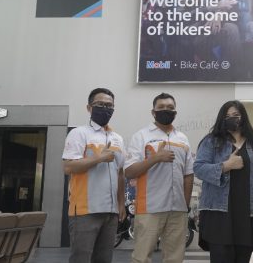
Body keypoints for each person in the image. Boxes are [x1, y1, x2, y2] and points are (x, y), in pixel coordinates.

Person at [193, 100, 253, 263]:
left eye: (236, 115)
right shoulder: (211, 141)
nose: (232, 118)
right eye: (227, 116)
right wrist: (225, 166)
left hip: (248, 214)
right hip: (219, 214)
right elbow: (198, 168)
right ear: (221, 119)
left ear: (243, 117)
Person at [124, 92, 194, 263]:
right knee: (142, 258)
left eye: (170, 107)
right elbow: (129, 172)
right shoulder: (141, 136)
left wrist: (185, 205)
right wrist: (155, 158)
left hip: (178, 210)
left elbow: (188, 174)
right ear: (153, 112)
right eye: (161, 107)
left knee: (175, 258)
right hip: (150, 208)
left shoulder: (182, 139)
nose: (166, 110)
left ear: (175, 112)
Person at [62, 88, 126, 263]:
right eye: (100, 104)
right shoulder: (79, 133)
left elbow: (120, 173)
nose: (105, 108)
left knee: (104, 259)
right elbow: (68, 166)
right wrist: (99, 158)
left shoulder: (118, 138)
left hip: (111, 212)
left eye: (109, 105)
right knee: (81, 259)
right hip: (85, 211)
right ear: (89, 108)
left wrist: (121, 204)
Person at [170, 0, 241, 72]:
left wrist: (218, 15)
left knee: (232, 29)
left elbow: (224, 8)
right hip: (184, 38)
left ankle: (231, 74)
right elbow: (176, 18)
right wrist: (212, 8)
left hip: (204, 34)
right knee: (230, 30)